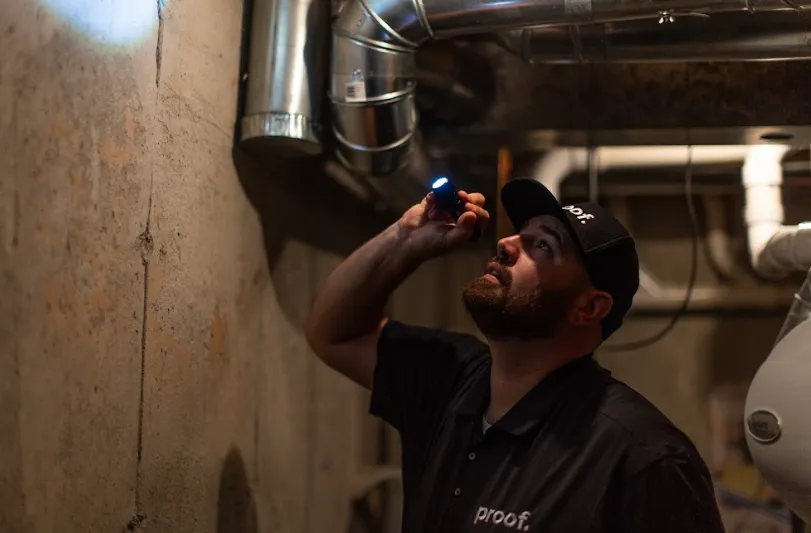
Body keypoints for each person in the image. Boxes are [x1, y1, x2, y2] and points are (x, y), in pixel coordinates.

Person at [304, 178, 726, 533]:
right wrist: (406, 239)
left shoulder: (645, 459)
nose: (506, 244)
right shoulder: (450, 378)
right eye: (519, 233)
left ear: (589, 308)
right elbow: (333, 333)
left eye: (543, 246)